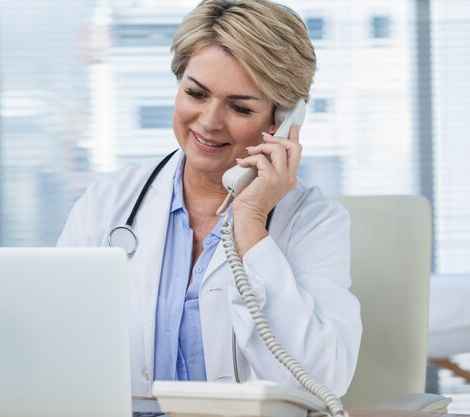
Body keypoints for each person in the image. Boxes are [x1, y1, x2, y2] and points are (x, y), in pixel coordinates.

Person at [58, 0, 361, 399]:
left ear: (282, 120)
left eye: (239, 107)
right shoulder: (108, 202)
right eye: (196, 94)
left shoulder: (315, 223)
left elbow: (320, 380)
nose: (209, 121)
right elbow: (56, 348)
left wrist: (251, 221)